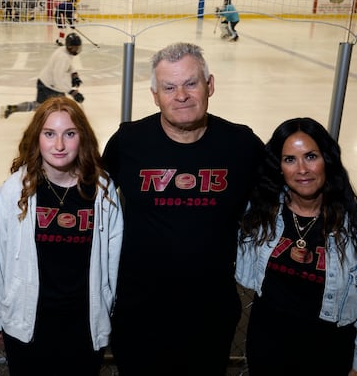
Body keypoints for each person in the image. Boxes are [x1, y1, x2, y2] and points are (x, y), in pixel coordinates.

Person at [102, 42, 265, 375]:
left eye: (191, 83)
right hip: (138, 312)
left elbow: (296, 183)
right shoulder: (128, 141)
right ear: (154, 94)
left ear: (210, 85)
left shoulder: (241, 144)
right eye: (169, 87)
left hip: (210, 313)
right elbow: (84, 192)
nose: (181, 95)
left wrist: (355, 212)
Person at [236, 117, 357, 376]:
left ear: (328, 160)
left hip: (330, 353)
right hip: (267, 346)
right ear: (278, 167)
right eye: (290, 159)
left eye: (310, 156)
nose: (302, 169)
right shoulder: (259, 214)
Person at [0, 96, 123, 375]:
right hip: (29, 325)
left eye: (69, 134)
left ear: (81, 137)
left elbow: (113, 258)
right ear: (37, 137)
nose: (59, 145)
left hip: (83, 326)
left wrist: (106, 308)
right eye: (49, 134)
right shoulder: (15, 190)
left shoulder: (102, 190)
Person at [0, 32, 85, 119]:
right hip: (50, 87)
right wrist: (72, 92)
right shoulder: (63, 57)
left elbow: (69, 65)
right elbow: (58, 79)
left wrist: (74, 75)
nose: (77, 50)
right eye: (75, 48)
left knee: (39, 106)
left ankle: (12, 108)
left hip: (45, 82)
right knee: (60, 106)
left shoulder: (64, 51)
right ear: (69, 46)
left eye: (78, 48)